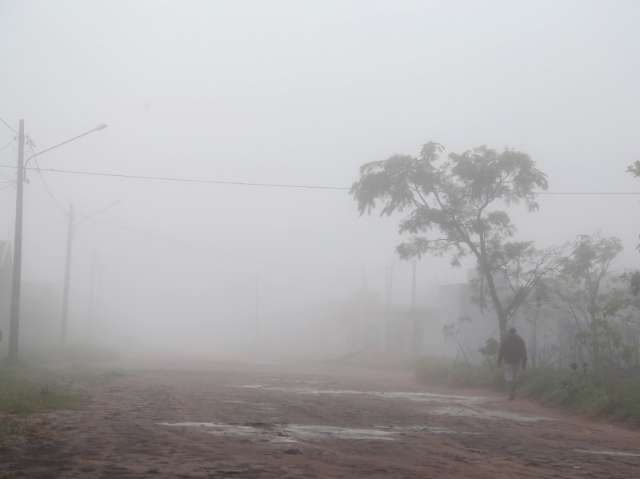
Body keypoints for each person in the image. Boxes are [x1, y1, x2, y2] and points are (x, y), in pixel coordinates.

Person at [497, 327, 527, 400]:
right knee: (515, 377)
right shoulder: (520, 340)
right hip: (517, 361)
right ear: (515, 332)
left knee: (508, 377)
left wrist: (499, 362)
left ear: (509, 332)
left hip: (508, 362)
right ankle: (513, 392)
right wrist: (524, 363)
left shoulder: (505, 340)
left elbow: (501, 351)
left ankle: (510, 393)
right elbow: (524, 351)